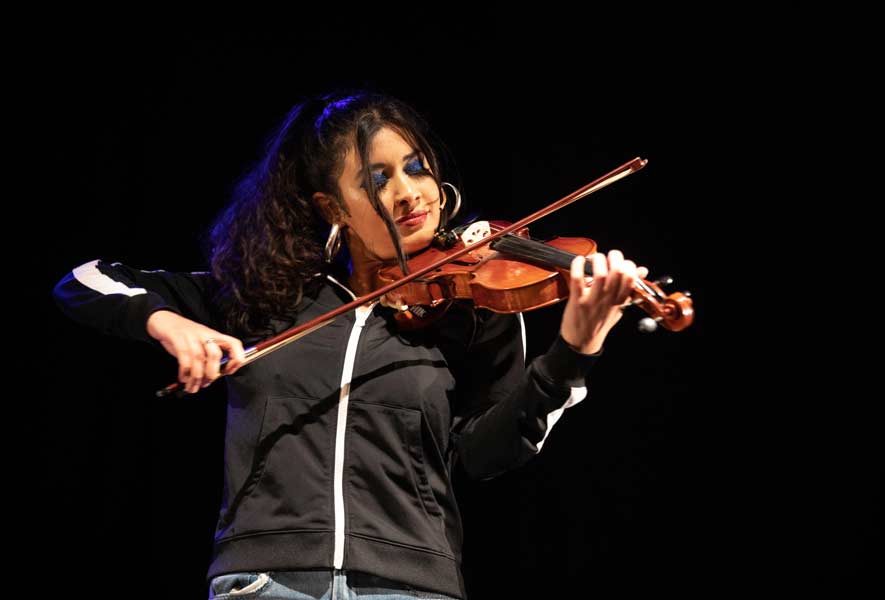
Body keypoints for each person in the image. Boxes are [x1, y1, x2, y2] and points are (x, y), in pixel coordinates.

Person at [51, 90, 648, 600]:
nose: (410, 192)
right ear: (332, 207)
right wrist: (169, 322)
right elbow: (86, 280)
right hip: (268, 582)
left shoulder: (470, 309)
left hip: (410, 583)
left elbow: (487, 455)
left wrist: (573, 349)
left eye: (416, 167)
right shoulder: (268, 297)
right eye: (378, 180)